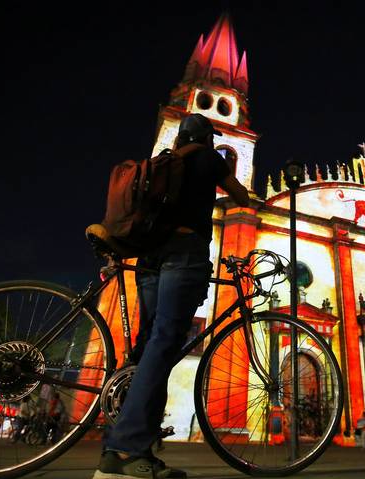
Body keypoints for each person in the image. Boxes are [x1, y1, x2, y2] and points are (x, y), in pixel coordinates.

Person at [94, 113, 249, 479]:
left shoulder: (167, 159)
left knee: (149, 347)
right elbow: (241, 195)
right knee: (165, 342)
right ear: (208, 139)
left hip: (150, 255)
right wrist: (228, 173)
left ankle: (129, 450)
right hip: (185, 251)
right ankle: (126, 446)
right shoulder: (209, 159)